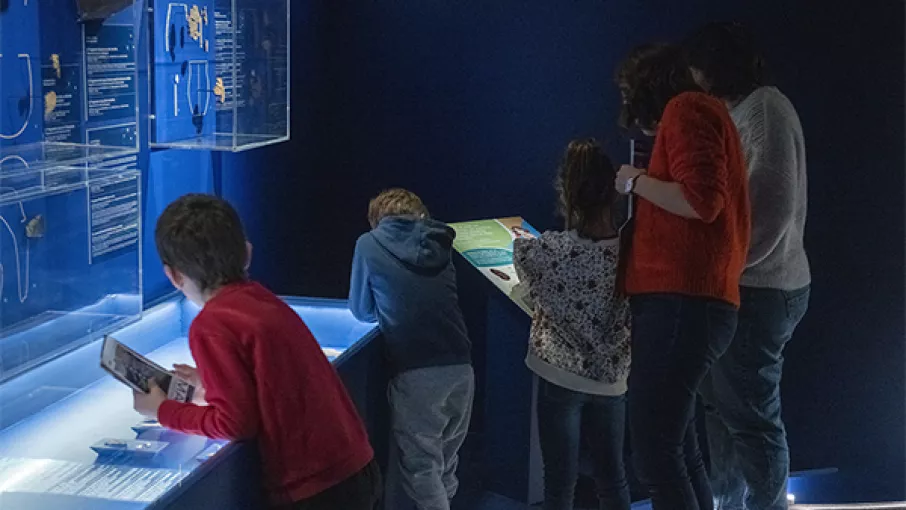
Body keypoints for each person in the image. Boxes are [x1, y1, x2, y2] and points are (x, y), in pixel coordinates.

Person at [133, 194, 380, 510]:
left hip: (314, 487)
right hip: (353, 466)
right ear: (246, 254)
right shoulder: (260, 299)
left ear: (174, 276)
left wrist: (162, 411)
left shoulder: (211, 324)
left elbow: (235, 424)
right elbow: (271, 383)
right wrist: (210, 386)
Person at [614, 44, 751, 510]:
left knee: (655, 452)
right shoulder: (705, 110)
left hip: (681, 301)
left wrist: (634, 180)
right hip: (694, 303)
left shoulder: (686, 108)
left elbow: (700, 201)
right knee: (680, 446)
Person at [684, 22, 811, 510]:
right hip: (747, 283)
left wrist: (724, 264)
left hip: (760, 285)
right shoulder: (747, 109)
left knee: (751, 417)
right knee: (724, 409)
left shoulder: (765, 108)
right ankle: (731, 503)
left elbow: (772, 204)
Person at [513, 139, 632, 510]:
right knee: (613, 478)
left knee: (558, 484)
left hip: (558, 377)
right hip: (611, 381)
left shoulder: (545, 249)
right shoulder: (633, 251)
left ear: (568, 194)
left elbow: (523, 266)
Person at [348, 188, 474, 510]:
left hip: (416, 370)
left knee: (422, 468)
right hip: (462, 365)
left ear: (377, 218)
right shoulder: (440, 241)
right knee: (446, 459)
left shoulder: (369, 243)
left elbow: (361, 309)